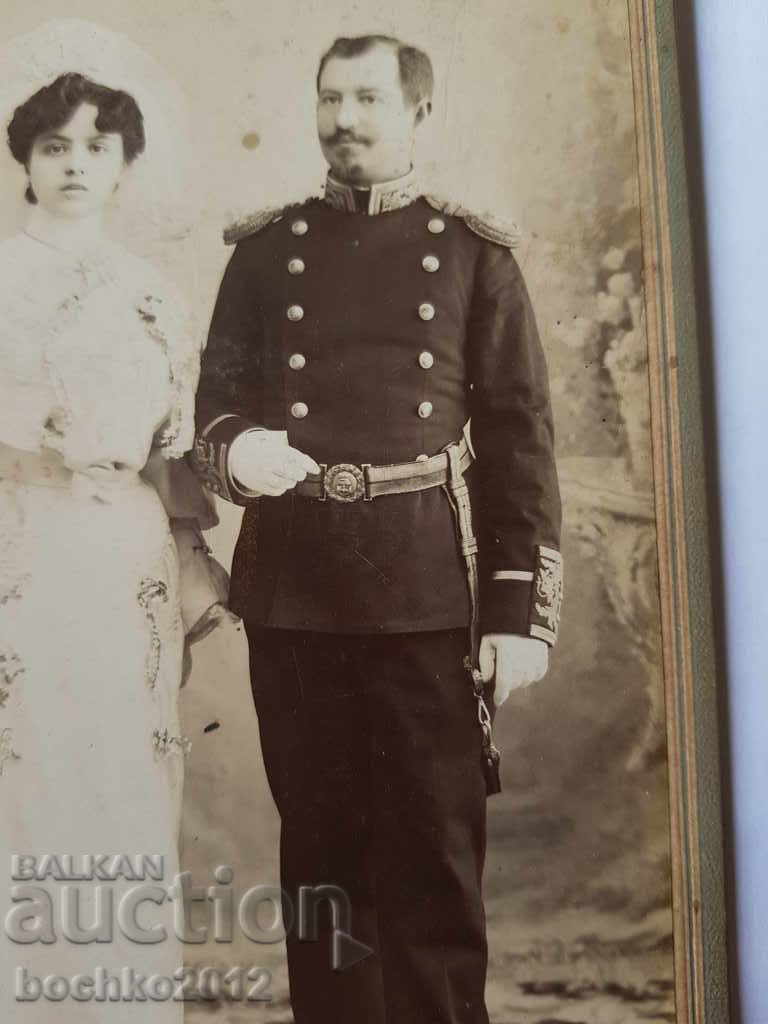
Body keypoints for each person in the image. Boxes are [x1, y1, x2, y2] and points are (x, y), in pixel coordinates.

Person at [194, 34, 563, 1024]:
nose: (344, 119)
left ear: (418, 113)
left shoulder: (475, 254)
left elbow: (521, 443)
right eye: (330, 98)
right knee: (323, 863)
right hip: (297, 595)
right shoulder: (265, 253)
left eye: (366, 98)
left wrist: (519, 615)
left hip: (427, 597)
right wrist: (237, 451)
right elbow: (213, 408)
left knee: (434, 859)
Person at [0, 72, 226, 1021]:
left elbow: (173, 453)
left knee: (125, 776)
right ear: (25, 159)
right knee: (29, 771)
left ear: (126, 161)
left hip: (126, 561)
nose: (75, 165)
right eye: (55, 146)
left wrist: (190, 558)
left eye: (96, 147)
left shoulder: (152, 294)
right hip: (21, 542)